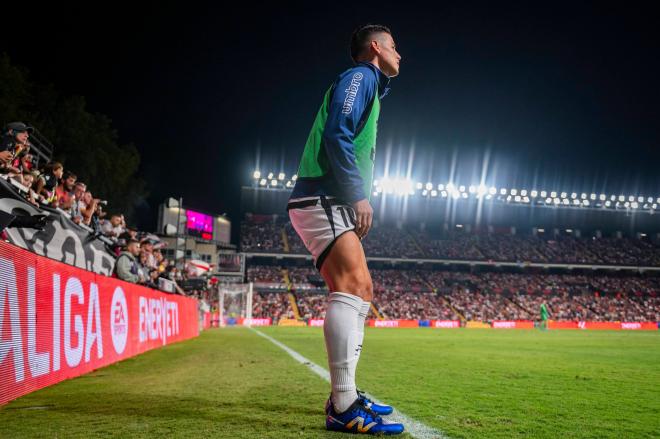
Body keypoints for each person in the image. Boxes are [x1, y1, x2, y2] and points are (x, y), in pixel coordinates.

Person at [287, 24, 403, 435]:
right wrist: (357, 195)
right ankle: (343, 404)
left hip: (324, 198)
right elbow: (337, 132)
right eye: (394, 47)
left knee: (361, 289)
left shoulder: (371, 85)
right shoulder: (360, 77)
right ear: (375, 48)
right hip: (324, 195)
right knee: (353, 285)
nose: (399, 55)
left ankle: (346, 394)